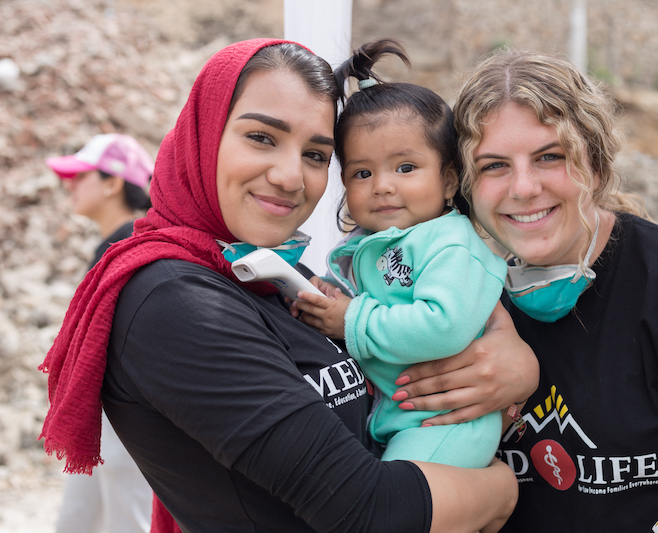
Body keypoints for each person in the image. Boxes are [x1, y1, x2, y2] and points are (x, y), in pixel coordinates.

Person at [38, 38, 531, 533]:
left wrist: (515, 365)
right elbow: (371, 513)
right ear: (204, 134)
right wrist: (500, 491)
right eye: (262, 138)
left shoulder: (257, 275)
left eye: (316, 155)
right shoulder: (173, 300)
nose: (290, 176)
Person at [395, 48, 658, 531]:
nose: (523, 188)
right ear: (463, 187)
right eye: (494, 166)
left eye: (550, 157)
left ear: (598, 166)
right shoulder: (456, 305)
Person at [291, 39, 508, 468]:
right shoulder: (368, 244)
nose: (382, 185)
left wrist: (350, 318)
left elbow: (443, 327)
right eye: (362, 172)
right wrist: (323, 298)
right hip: (401, 419)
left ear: (449, 181)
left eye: (405, 168)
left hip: (449, 423)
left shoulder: (451, 243)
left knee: (397, 505)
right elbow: (363, 301)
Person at [46, 133, 154, 533]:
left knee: (128, 522)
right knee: (78, 520)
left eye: (81, 175)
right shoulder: (116, 245)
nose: (70, 185)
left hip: (126, 414)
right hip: (104, 412)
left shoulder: (131, 245)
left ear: (112, 183)